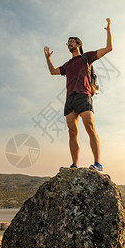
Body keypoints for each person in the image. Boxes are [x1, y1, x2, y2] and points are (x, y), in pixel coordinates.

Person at [44, 18, 113, 172]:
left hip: (83, 95)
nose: (69, 44)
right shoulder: (68, 64)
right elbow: (53, 71)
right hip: (70, 99)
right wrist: (48, 59)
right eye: (67, 42)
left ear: (78, 44)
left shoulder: (86, 57)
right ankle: (74, 165)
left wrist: (108, 29)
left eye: (71, 42)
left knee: (89, 126)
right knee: (72, 132)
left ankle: (98, 163)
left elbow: (109, 48)